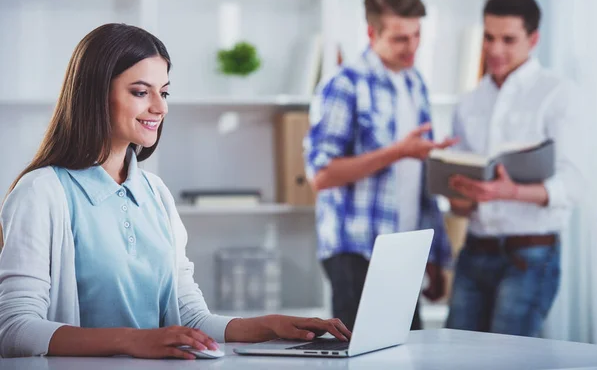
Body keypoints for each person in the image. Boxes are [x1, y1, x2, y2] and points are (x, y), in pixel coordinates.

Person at [0, 23, 351, 359]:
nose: (161, 106)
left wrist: (267, 325)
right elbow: (14, 329)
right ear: (94, 94)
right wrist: (132, 341)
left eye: (164, 92)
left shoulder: (156, 193)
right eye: (141, 92)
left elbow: (191, 319)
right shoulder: (42, 192)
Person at [303, 0, 455, 332]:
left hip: (405, 248)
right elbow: (321, 175)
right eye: (401, 38)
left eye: (417, 35)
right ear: (372, 33)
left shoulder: (415, 83)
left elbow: (419, 180)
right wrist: (397, 152)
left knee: (408, 351)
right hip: (356, 248)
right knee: (361, 355)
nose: (412, 47)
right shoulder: (344, 84)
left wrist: (434, 254)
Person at [445, 0, 583, 336]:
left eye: (508, 39)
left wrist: (510, 191)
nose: (494, 50)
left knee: (507, 360)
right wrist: (460, 194)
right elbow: (461, 204)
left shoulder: (559, 94)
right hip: (474, 253)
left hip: (530, 257)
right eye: (489, 37)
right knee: (454, 357)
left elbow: (574, 184)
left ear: (533, 39)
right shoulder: (469, 102)